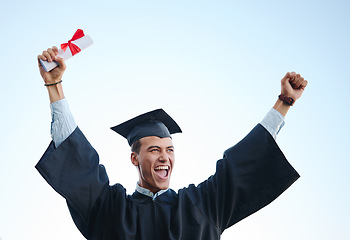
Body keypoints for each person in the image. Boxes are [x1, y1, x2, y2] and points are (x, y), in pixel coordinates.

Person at [36, 46, 308, 240]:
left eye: (169, 150)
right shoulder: (111, 209)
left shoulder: (201, 205)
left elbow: (242, 163)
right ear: (135, 158)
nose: (164, 157)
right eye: (154, 150)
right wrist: (54, 86)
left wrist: (283, 104)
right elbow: (79, 160)